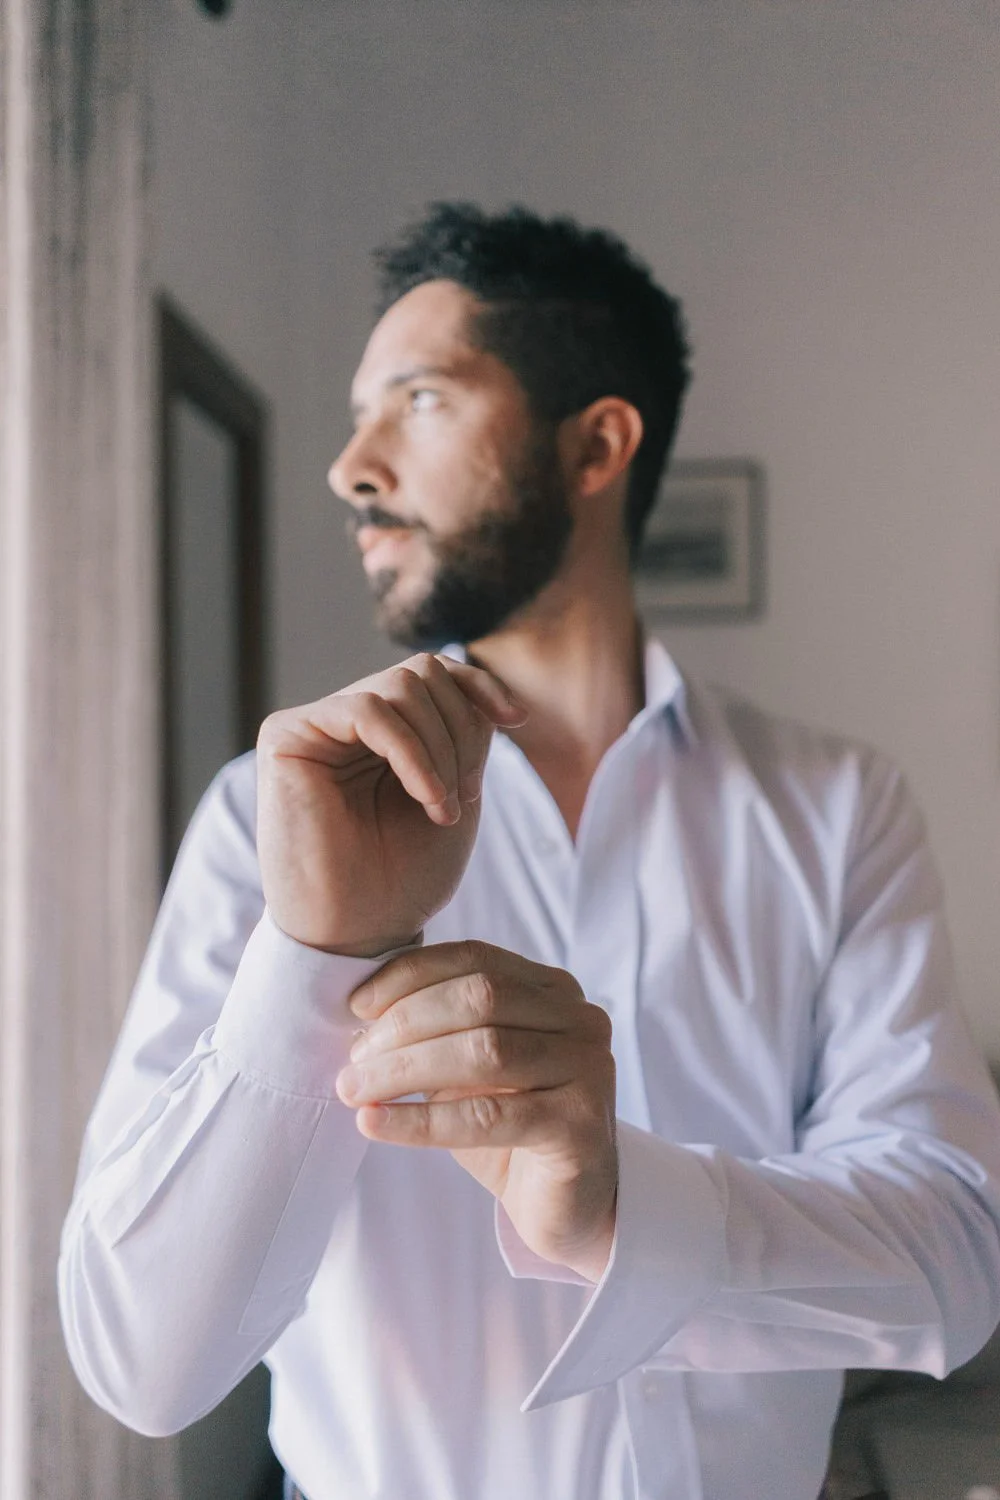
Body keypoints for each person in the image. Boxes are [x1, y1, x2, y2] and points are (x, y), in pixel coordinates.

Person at [60, 203, 1000, 1500]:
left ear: (596, 444)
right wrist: (318, 953)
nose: (351, 467)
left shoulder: (836, 809)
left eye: (420, 400)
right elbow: (140, 1363)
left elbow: (955, 1258)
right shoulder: (262, 821)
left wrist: (620, 1212)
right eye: (358, 414)